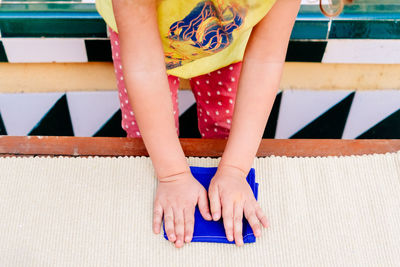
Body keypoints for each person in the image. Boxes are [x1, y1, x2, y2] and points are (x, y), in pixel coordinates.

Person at [95, 0, 347, 248]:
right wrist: (172, 175)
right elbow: (144, 66)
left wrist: (235, 170)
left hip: (226, 46)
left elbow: (266, 59)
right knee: (143, 144)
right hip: (142, 42)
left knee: (224, 132)